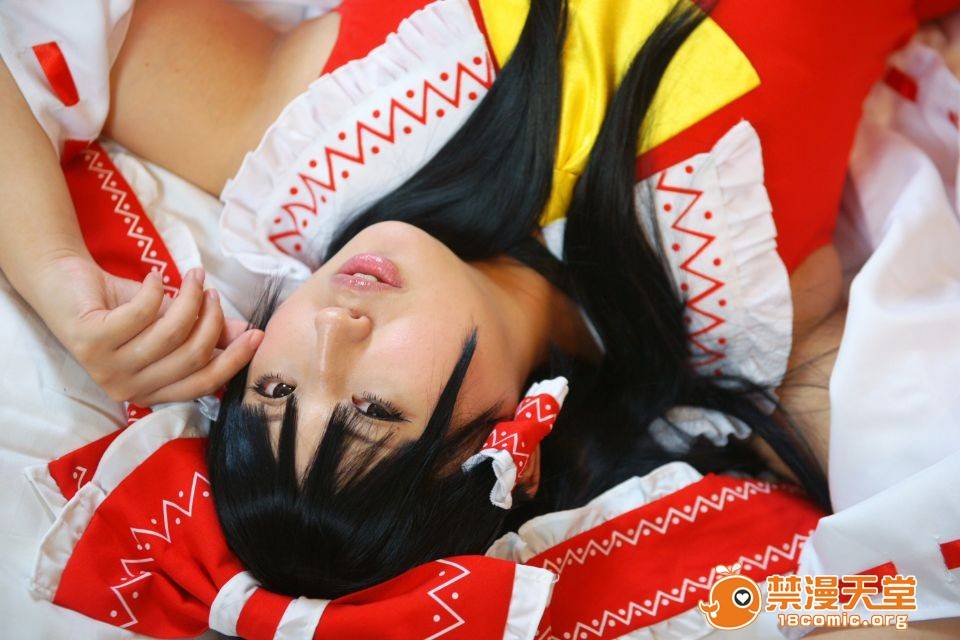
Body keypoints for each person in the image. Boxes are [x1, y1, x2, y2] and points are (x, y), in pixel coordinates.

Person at [2, 0, 956, 617]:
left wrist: (59, 281)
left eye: (278, 388)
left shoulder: (312, 145)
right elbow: (903, 594)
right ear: (515, 446)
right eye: (373, 408)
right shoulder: (748, 322)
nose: (332, 330)